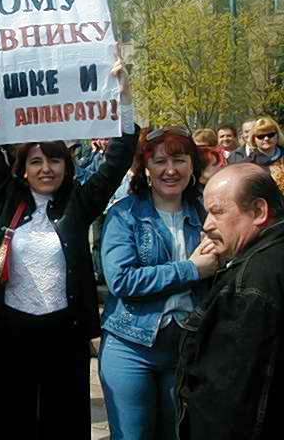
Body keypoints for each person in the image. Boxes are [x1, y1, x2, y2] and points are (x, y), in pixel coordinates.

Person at [0, 57, 139, 439]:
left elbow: (118, 158)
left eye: (54, 159)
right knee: (9, 420)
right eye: (35, 161)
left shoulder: (79, 204)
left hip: (66, 333)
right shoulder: (6, 198)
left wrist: (125, 96)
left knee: (63, 423)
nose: (46, 168)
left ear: (67, 165)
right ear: (23, 168)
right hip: (13, 331)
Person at [98, 127, 217, 439]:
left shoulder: (208, 212)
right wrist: (191, 269)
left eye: (179, 160)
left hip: (188, 347)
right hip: (131, 345)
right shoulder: (125, 214)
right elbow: (122, 280)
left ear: (193, 165)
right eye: (159, 161)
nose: (170, 170)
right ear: (145, 168)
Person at [177, 163, 284, 439]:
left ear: (259, 211)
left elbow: (231, 397)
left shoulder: (251, 284)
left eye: (217, 212)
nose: (206, 224)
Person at [245, 116, 284, 193]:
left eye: (270, 135)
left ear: (277, 135)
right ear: (254, 139)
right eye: (261, 136)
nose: (266, 138)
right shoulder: (248, 164)